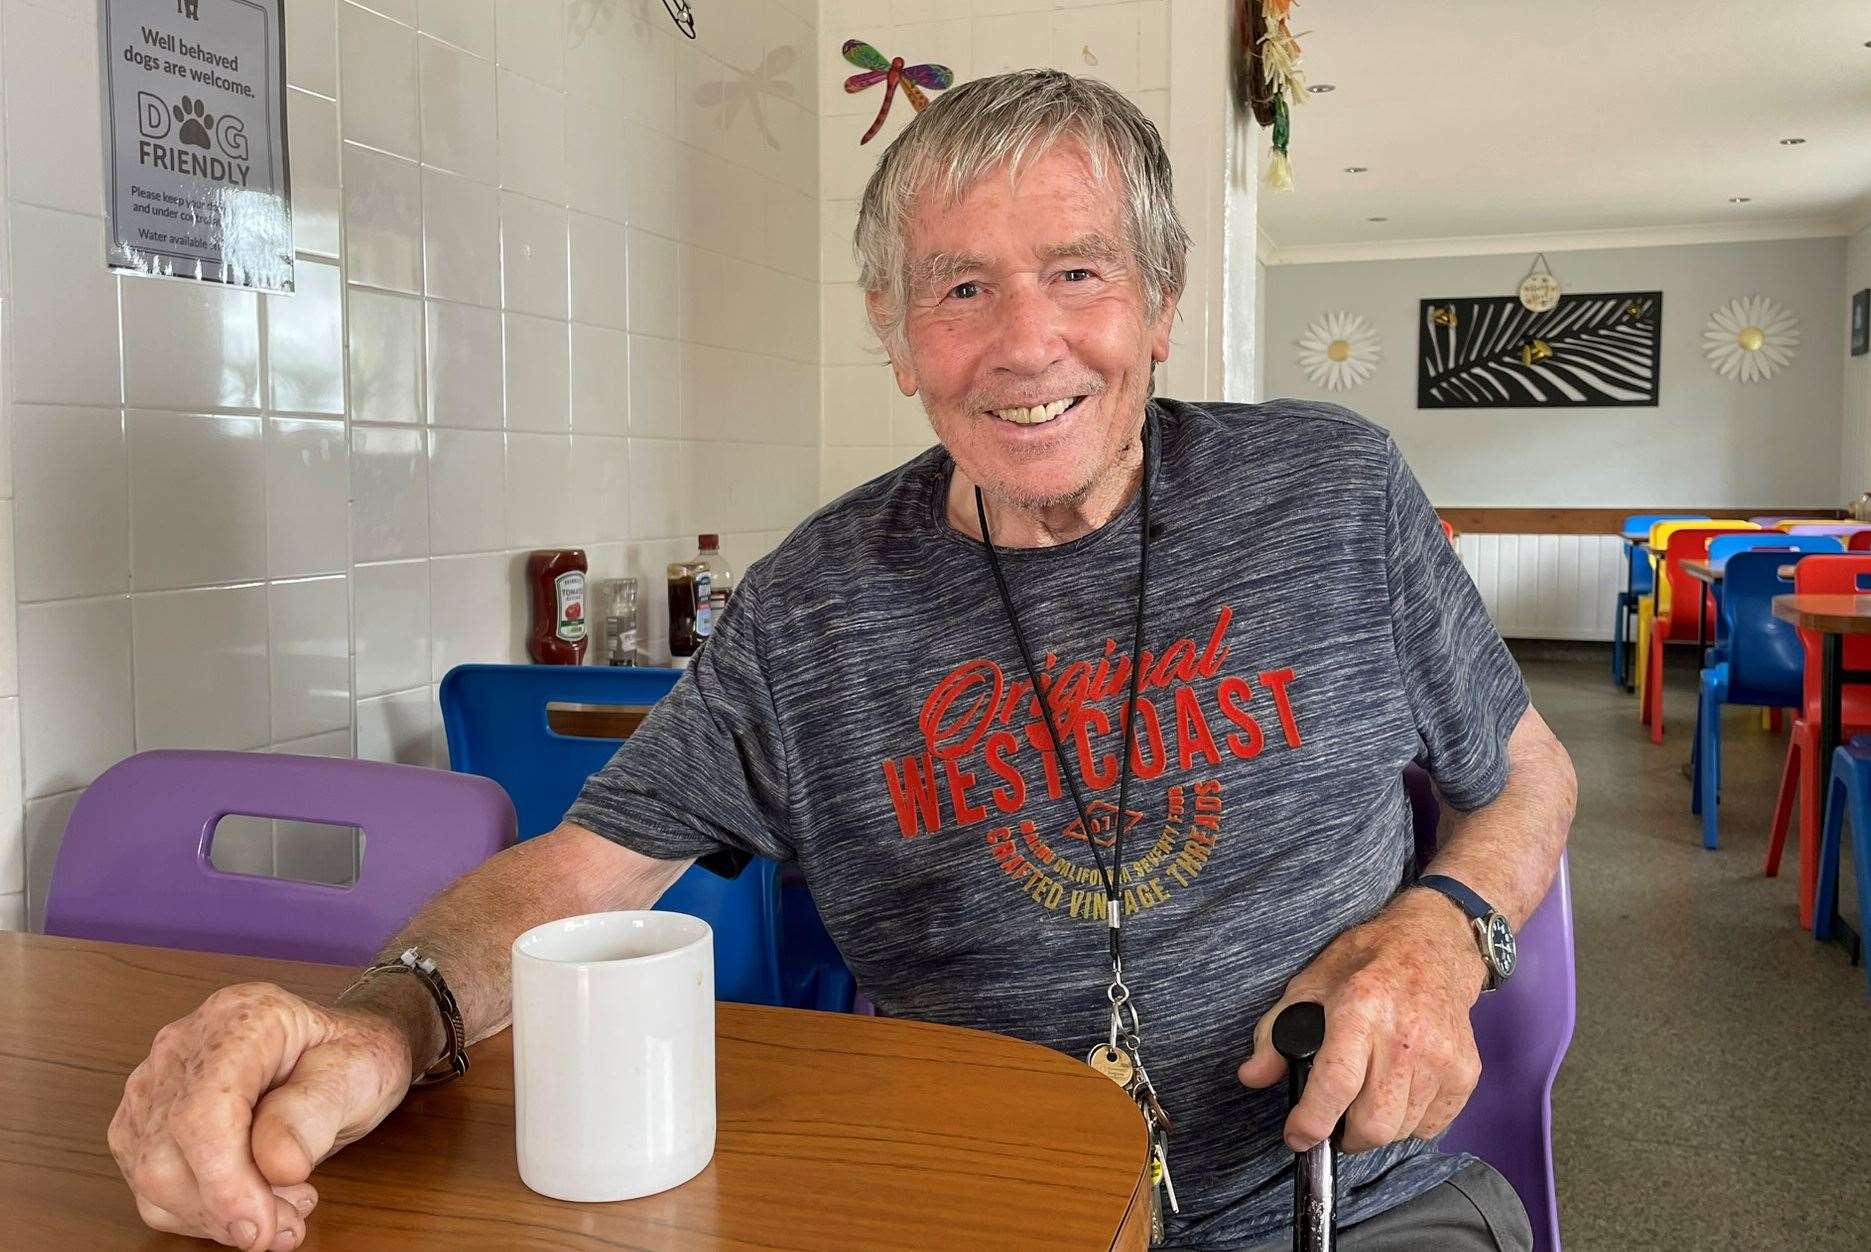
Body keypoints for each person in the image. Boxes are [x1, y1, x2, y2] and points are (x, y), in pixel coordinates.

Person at [107, 70, 1574, 1252]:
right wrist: (382, 1021)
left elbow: (1528, 780)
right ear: (893, 332)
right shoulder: (810, 605)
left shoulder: (1331, 492)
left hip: (1351, 1202)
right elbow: (577, 874)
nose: (1024, 344)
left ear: (1162, 303)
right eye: (958, 291)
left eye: (1078, 271)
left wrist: (1445, 932)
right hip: (980, 1212)